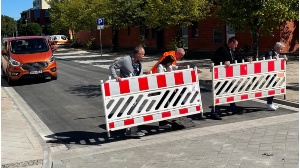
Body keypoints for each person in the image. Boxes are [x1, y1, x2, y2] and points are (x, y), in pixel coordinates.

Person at [109, 45, 146, 137]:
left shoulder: (138, 62)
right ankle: (132, 130)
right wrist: (116, 77)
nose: (143, 56)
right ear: (137, 54)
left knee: (133, 108)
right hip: (127, 88)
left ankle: (129, 130)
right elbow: (112, 66)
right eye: (142, 54)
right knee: (133, 107)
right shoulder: (125, 60)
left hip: (135, 88)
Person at [210, 37, 244, 120]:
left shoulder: (231, 51)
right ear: (231, 43)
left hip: (228, 75)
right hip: (221, 75)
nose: (236, 47)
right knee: (219, 92)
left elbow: (234, 59)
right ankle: (214, 111)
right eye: (235, 45)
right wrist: (223, 61)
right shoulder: (222, 49)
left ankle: (233, 108)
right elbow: (213, 57)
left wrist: (246, 59)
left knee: (231, 91)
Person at [264, 42, 288, 111]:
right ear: (277, 48)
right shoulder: (270, 52)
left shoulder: (277, 54)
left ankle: (270, 102)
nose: (281, 50)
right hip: (269, 74)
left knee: (273, 87)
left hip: (274, 73)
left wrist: (285, 60)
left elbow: (280, 62)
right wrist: (271, 58)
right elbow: (267, 60)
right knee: (273, 87)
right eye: (281, 49)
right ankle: (269, 103)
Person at [155, 55, 176, 129]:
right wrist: (168, 72)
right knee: (162, 104)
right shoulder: (160, 66)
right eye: (170, 63)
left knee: (174, 100)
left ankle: (174, 118)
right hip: (162, 89)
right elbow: (161, 76)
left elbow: (175, 68)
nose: (170, 64)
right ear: (167, 62)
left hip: (169, 88)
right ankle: (162, 122)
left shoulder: (169, 66)